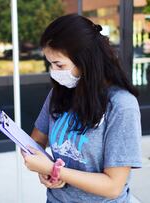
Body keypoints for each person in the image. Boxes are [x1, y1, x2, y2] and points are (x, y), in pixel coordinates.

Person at [22, 14, 142, 202]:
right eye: (50, 64)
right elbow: (35, 141)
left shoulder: (121, 105)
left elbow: (113, 186)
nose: (53, 71)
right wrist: (43, 170)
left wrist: (54, 170)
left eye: (59, 64)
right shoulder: (59, 93)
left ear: (85, 61)